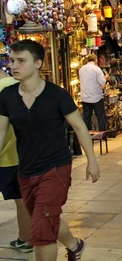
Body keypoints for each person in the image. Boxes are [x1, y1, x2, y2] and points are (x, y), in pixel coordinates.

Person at [0, 40, 100, 261]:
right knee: (44, 217)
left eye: (21, 61)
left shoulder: (57, 95)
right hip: (25, 170)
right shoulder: (7, 96)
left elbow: (80, 126)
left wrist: (92, 160)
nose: (14, 65)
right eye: (12, 60)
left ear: (37, 63)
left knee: (42, 231)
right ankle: (74, 245)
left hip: (55, 168)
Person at [0, 68, 32, 254]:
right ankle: (25, 239)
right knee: (22, 200)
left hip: (4, 156)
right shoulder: (15, 85)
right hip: (19, 154)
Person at [78, 54, 106, 131]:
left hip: (85, 97)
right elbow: (102, 82)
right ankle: (102, 134)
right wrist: (105, 78)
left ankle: (88, 135)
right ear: (95, 60)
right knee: (100, 116)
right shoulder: (97, 69)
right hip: (96, 97)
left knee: (87, 117)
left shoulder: (81, 69)